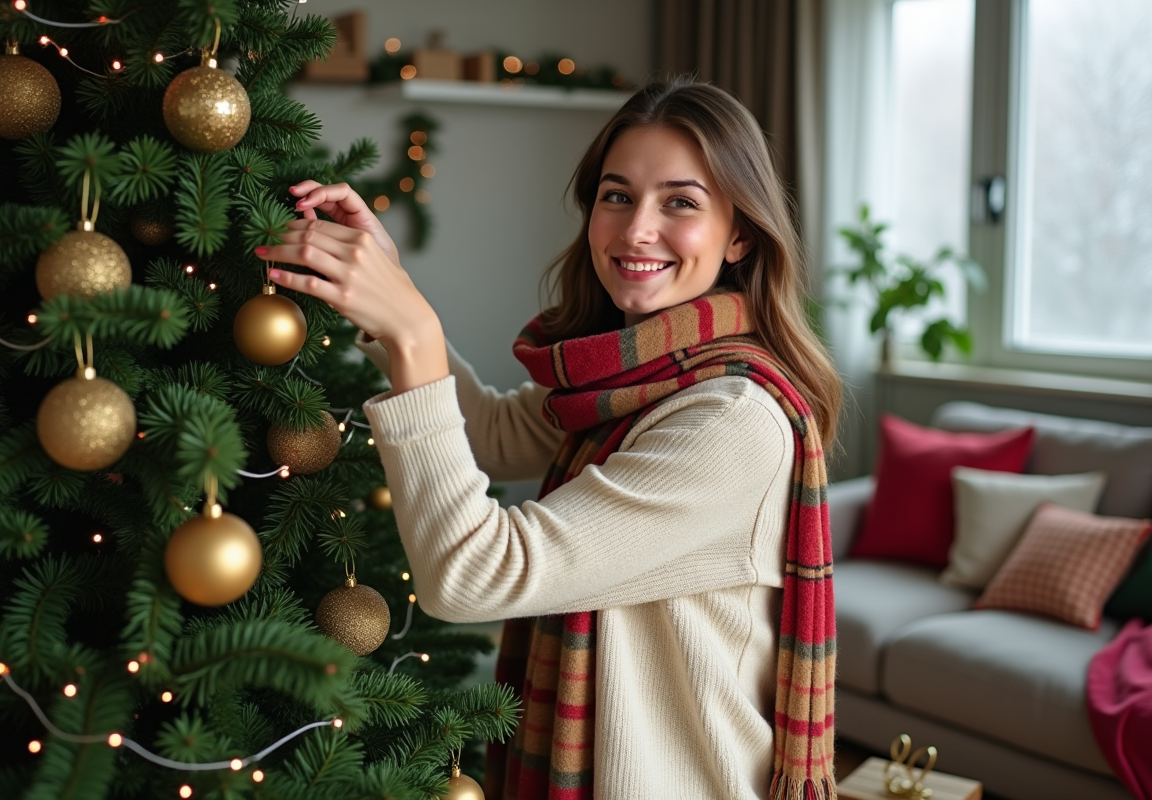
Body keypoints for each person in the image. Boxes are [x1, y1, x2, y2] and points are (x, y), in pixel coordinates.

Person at [256, 77, 842, 800]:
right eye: (617, 195)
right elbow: (497, 435)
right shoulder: (649, 376)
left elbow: (473, 575)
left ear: (741, 233)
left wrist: (415, 333)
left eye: (681, 203)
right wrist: (392, 295)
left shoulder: (729, 419)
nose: (635, 231)